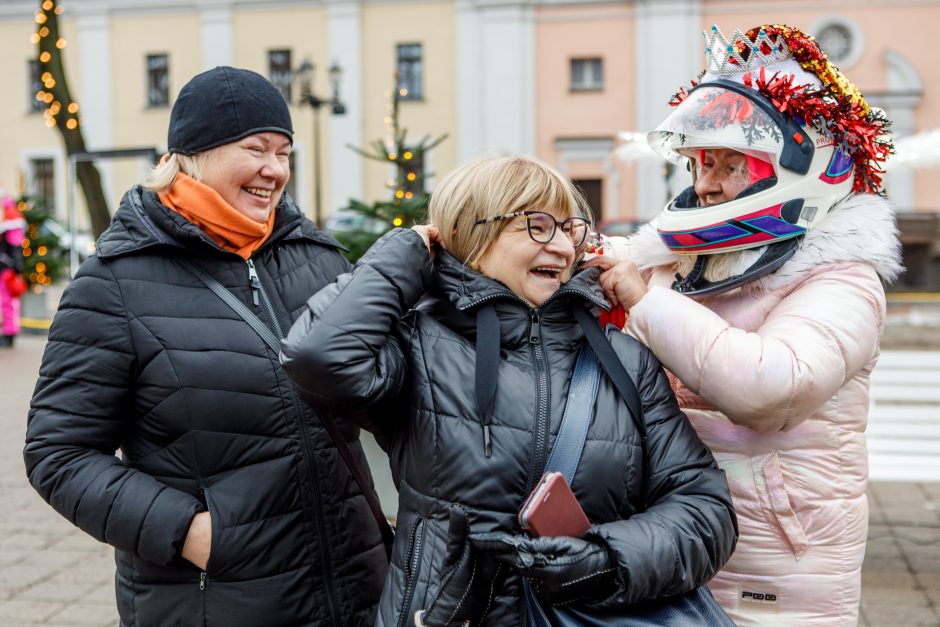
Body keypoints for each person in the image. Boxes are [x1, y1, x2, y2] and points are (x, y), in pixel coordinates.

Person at [281, 155, 738, 626]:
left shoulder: (622, 359)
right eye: (538, 225)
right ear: (474, 238)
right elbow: (317, 358)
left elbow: (705, 511)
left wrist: (606, 560)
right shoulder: (418, 346)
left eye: (570, 228)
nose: (562, 246)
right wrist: (409, 250)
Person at [24, 66, 386, 626]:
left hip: (353, 586)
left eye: (284, 152)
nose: (274, 169)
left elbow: (381, 390)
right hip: (216, 597)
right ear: (192, 155)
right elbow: (59, 454)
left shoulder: (320, 260)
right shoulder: (113, 282)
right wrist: (188, 531)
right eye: (256, 148)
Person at [589, 24, 903, 626]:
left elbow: (771, 390)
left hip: (776, 575)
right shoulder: (676, 263)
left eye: (729, 163)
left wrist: (644, 300)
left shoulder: (842, 278)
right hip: (675, 546)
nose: (703, 184)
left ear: (801, 163)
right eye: (698, 162)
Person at [0, 192, 26, 347]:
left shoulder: (10, 222)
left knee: (7, 302)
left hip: (6, 269)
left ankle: (9, 334)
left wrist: (16, 268)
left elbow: (16, 248)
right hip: (6, 268)